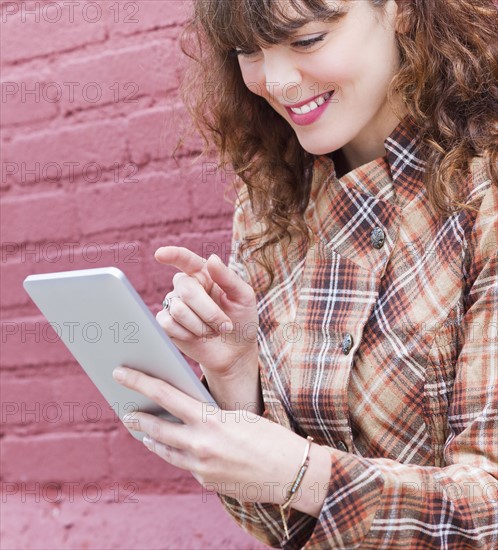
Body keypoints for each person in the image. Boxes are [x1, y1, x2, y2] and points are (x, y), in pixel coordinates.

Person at [112, 0, 498, 548]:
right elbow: (279, 530)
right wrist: (235, 376)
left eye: (308, 40)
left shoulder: (485, 194)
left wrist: (306, 473)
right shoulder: (270, 205)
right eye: (248, 51)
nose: (276, 80)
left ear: (405, 11)